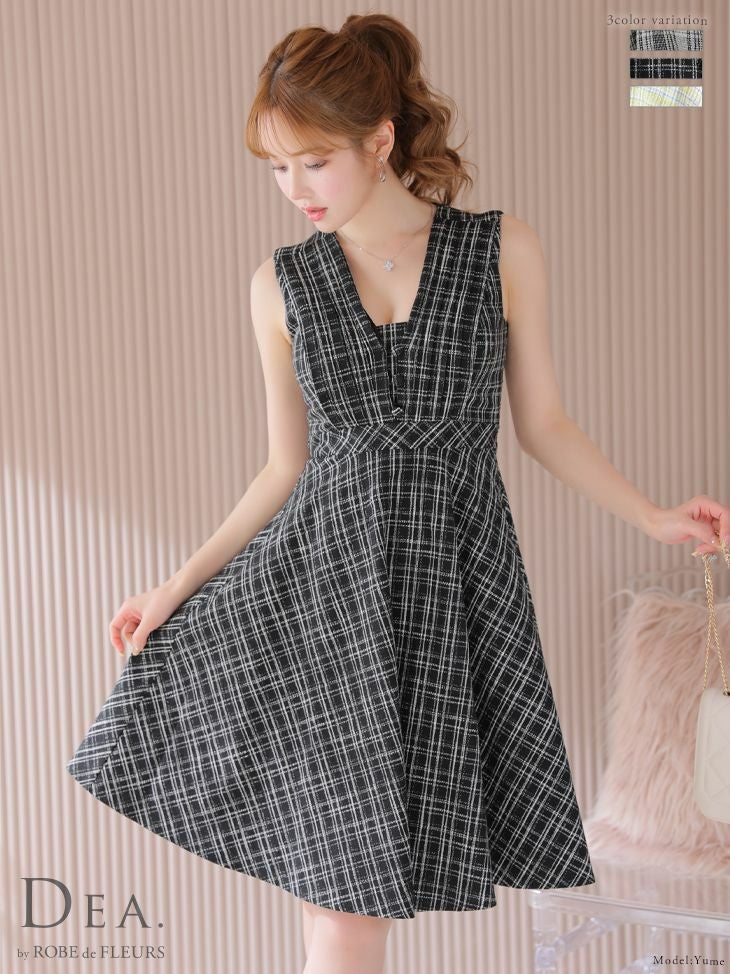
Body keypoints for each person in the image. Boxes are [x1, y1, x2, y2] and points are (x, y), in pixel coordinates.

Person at [67, 13, 730, 974]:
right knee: (341, 907)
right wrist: (174, 589)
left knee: (346, 907)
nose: (295, 189)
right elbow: (283, 469)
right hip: (321, 606)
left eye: (315, 162)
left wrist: (652, 516)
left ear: (379, 140)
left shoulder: (500, 251)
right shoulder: (280, 286)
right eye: (277, 167)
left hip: (449, 594)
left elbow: (544, 425)